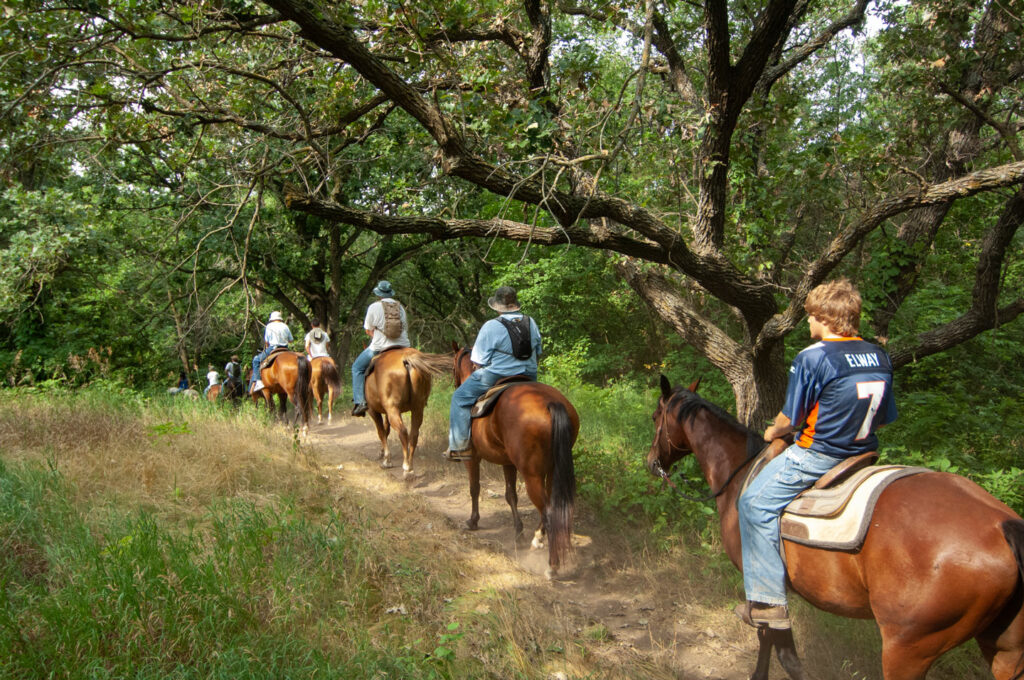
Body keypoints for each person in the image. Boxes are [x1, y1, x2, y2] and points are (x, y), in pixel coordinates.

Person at [735, 278, 897, 630]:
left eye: (810, 316)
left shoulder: (813, 356)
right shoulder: (879, 355)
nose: (808, 322)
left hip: (819, 455)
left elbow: (791, 419)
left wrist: (773, 431)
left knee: (752, 504)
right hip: (863, 456)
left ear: (824, 317)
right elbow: (881, 420)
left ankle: (766, 602)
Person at [443, 286, 542, 461]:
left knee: (459, 397)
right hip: (529, 374)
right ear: (515, 305)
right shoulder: (531, 322)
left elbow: (478, 360)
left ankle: (459, 446)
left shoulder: (491, 326)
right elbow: (538, 351)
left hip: (497, 375)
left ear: (497, 307)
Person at [350, 281, 410, 416]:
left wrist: (376, 335)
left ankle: (360, 402)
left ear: (379, 294)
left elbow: (368, 330)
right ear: (390, 293)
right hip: (404, 346)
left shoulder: (373, 307)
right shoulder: (400, 308)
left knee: (357, 368)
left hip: (379, 346)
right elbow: (405, 327)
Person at [251, 311, 294, 392]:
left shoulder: (269, 326)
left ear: (272, 319)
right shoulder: (285, 326)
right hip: (285, 348)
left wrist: (267, 347)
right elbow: (291, 340)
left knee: (256, 360)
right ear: (280, 318)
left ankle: (258, 381)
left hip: (273, 348)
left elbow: (267, 342)